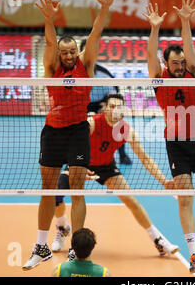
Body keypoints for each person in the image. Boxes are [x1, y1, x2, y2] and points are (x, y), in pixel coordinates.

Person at [22, 0, 117, 270]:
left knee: (77, 189)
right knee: (47, 189)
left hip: (77, 131)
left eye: (72, 50)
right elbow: (50, 43)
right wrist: (49, 20)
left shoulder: (85, 65)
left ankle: (76, 247)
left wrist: (105, 8)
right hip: (53, 132)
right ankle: (41, 246)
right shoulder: (52, 68)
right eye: (65, 52)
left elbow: (96, 33)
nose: (69, 55)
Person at [144, 0, 195, 274]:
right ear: (166, 64)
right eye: (174, 62)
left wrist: (186, 21)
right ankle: (194, 253)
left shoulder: (194, 72)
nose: (179, 65)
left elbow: (189, 47)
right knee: (185, 199)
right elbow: (151, 55)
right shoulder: (159, 78)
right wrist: (155, 28)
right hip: (176, 146)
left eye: (181, 61)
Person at [52, 94, 179, 258]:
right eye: (111, 106)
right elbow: (71, 147)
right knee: (56, 195)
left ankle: (157, 240)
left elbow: (145, 159)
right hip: (82, 163)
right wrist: (80, 167)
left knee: (130, 200)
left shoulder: (127, 131)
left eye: (118, 106)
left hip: (106, 167)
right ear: (105, 108)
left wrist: (163, 181)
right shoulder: (91, 123)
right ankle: (63, 228)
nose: (114, 110)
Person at [79, 39, 132, 165]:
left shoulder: (104, 74)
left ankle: (122, 155)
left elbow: (114, 93)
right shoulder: (74, 73)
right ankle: (72, 155)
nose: (89, 54)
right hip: (80, 105)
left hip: (100, 104)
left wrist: (106, 105)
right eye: (86, 51)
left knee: (116, 119)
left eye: (92, 51)